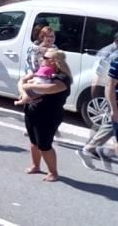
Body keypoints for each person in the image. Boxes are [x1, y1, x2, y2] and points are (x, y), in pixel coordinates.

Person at [20, 48, 72, 182]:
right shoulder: (41, 72)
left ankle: (53, 172)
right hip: (32, 110)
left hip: (49, 114)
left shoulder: (62, 78)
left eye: (45, 57)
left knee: (44, 145)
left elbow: (49, 89)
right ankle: (35, 166)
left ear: (54, 62)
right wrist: (25, 90)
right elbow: (23, 81)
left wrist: (27, 87)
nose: (42, 59)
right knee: (33, 141)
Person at [76, 29, 118, 169]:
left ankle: (91, 148)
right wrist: (98, 96)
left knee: (108, 124)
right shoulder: (113, 56)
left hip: (107, 93)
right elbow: (102, 78)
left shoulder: (108, 51)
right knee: (110, 122)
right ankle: (100, 150)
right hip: (108, 92)